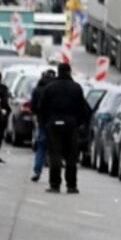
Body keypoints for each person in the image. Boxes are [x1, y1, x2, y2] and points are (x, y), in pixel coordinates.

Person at [38, 62, 90, 194]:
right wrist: (77, 123)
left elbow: (41, 108)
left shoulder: (49, 88)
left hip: (53, 124)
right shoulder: (76, 88)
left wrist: (45, 123)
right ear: (69, 72)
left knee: (55, 155)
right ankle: (71, 185)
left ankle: (55, 185)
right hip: (71, 125)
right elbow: (83, 109)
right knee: (71, 156)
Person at [29, 69, 55, 183]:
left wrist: (37, 115)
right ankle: (54, 174)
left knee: (41, 148)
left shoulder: (37, 90)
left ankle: (37, 170)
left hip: (42, 122)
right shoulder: (55, 89)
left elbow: (33, 107)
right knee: (55, 149)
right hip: (54, 123)